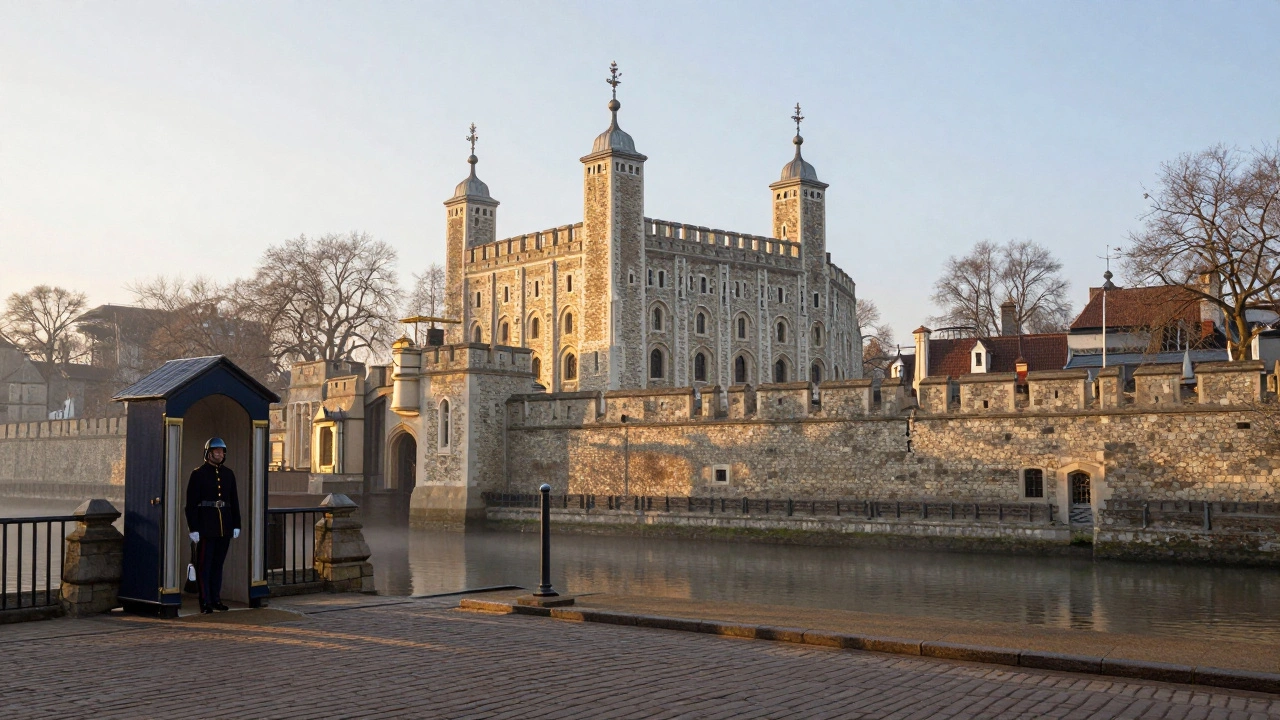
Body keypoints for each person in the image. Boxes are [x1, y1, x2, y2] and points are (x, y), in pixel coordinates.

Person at [184, 437, 241, 613]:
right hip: (206, 527)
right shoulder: (198, 474)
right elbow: (191, 504)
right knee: (204, 566)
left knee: (218, 565)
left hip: (224, 526)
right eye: (216, 451)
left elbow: (234, 501)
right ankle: (205, 601)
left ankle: (216, 599)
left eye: (221, 451)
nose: (219, 454)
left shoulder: (229, 474)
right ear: (208, 453)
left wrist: (236, 524)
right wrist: (193, 528)